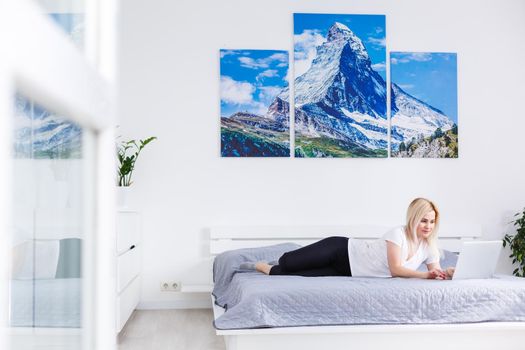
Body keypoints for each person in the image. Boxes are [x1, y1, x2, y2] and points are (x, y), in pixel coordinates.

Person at [255, 198, 455, 279]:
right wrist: (426, 276)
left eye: (431, 222)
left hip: (349, 271)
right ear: (413, 219)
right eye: (423, 221)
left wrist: (445, 273)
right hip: (342, 250)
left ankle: (265, 267)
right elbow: (396, 270)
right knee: (288, 262)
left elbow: (434, 273)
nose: (428, 226)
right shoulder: (398, 234)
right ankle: (278, 259)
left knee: (286, 274)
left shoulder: (429, 246)